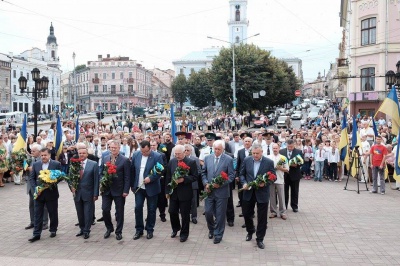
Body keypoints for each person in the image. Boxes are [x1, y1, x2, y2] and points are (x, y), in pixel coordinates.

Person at [240, 143, 276, 249]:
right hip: (248, 192)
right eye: (253, 153)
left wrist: (265, 183)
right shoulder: (247, 160)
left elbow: (273, 177)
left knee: (262, 218)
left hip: (262, 193)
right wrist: (244, 183)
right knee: (246, 214)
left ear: (262, 152)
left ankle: (260, 239)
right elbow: (241, 174)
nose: (255, 155)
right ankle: (250, 231)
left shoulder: (268, 162)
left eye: (257, 153)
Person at [202, 140, 235, 244]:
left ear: (223, 149)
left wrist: (221, 184)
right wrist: (206, 183)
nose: (216, 151)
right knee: (208, 212)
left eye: (218, 149)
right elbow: (203, 172)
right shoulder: (207, 158)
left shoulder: (229, 159)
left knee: (220, 215)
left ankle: (218, 234)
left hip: (222, 192)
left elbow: (231, 176)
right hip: (209, 191)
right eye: (215, 149)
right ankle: (211, 229)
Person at [131, 140, 163, 240]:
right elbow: (132, 170)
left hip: (152, 188)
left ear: (150, 148)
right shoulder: (136, 154)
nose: (143, 153)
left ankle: (149, 229)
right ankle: (139, 230)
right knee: (138, 208)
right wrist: (133, 185)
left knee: (151, 209)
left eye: (146, 151)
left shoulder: (157, 156)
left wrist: (151, 178)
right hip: (139, 188)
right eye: (142, 151)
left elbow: (160, 171)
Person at [28, 148, 62, 242]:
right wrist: (36, 188)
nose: (43, 157)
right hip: (39, 194)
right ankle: (36, 234)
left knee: (53, 213)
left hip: (51, 193)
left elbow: (60, 177)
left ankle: (53, 230)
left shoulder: (56, 164)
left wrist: (52, 181)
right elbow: (32, 178)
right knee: (37, 214)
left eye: (45, 155)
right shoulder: (36, 164)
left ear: (49, 155)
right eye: (42, 155)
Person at [165, 145, 198, 242]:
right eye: (176, 154)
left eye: (179, 154)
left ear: (184, 152)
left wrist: (184, 179)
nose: (177, 155)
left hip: (185, 193)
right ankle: (175, 228)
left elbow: (195, 176)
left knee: (185, 215)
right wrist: (167, 191)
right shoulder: (172, 161)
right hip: (174, 192)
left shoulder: (191, 162)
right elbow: (168, 177)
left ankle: (184, 233)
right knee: (172, 212)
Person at [101, 140, 130, 241]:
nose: (113, 149)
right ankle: (109, 228)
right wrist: (102, 184)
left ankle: (119, 231)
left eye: (115, 148)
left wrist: (126, 190)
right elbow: (101, 172)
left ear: (119, 148)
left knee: (119, 212)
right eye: (111, 147)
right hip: (107, 190)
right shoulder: (105, 158)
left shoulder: (125, 160)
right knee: (105, 209)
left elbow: (127, 177)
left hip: (119, 190)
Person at [72, 147, 99, 239]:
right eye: (80, 153)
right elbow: (70, 177)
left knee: (87, 213)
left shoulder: (93, 164)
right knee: (80, 213)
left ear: (87, 154)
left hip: (89, 193)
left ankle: (87, 230)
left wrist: (96, 193)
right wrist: (71, 187)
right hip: (77, 193)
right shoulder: (74, 163)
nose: (82, 155)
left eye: (84, 153)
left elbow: (96, 180)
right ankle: (82, 228)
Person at [25, 144, 48, 230]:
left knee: (43, 205)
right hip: (31, 185)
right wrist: (25, 168)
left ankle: (45, 222)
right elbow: (26, 170)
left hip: (40, 185)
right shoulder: (30, 159)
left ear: (39, 152)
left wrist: (33, 169)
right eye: (31, 151)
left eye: (33, 151)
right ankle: (33, 222)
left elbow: (45, 171)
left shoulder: (42, 159)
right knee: (32, 205)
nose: (32, 152)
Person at [279, 139, 303, 212]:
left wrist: (296, 165)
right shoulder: (281, 151)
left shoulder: (299, 152)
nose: (290, 148)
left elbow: (301, 162)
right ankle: (284, 206)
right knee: (284, 191)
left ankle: (294, 206)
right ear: (286, 145)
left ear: (294, 145)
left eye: (291, 147)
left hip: (295, 174)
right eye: (288, 146)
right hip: (285, 175)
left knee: (295, 191)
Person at [268, 143, 289, 220]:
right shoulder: (268, 157)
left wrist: (280, 168)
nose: (275, 150)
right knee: (272, 196)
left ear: (279, 148)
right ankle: (273, 212)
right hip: (270, 180)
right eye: (274, 148)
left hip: (280, 179)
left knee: (281, 196)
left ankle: (282, 212)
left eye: (276, 148)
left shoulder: (283, 158)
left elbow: (287, 169)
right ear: (272, 149)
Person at [150, 140, 168, 222]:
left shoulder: (162, 155)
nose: (152, 147)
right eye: (151, 145)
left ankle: (162, 214)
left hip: (160, 180)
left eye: (154, 145)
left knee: (161, 198)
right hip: (150, 180)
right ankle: (150, 215)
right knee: (150, 199)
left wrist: (159, 174)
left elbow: (164, 166)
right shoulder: (148, 155)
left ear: (157, 145)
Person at [183, 144, 202, 224]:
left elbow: (199, 170)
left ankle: (194, 217)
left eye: (188, 150)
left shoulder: (195, 159)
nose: (186, 152)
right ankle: (185, 216)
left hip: (192, 183)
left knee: (193, 201)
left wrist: (190, 176)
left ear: (191, 151)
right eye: (185, 150)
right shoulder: (181, 159)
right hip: (183, 184)